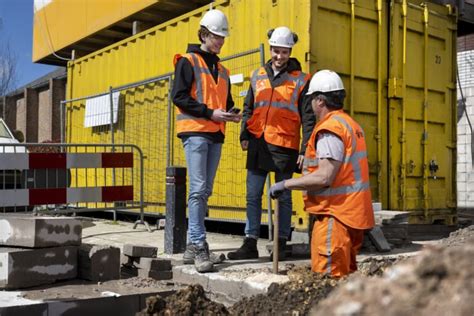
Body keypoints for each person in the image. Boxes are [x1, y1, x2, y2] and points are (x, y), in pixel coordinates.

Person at [269, 70, 375, 277]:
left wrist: (285, 185)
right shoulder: (350, 124)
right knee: (344, 280)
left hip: (335, 216)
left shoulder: (330, 130)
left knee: (327, 281)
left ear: (319, 101)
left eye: (310, 99)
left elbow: (325, 176)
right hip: (350, 214)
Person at [227, 26, 315, 261]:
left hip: (285, 147)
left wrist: (305, 148)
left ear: (290, 52)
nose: (279, 57)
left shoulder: (302, 80)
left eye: (283, 52)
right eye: (276, 51)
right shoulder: (258, 75)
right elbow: (248, 107)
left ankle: (282, 242)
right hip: (258, 143)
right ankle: (250, 242)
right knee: (253, 195)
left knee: (284, 197)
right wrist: (244, 135)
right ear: (271, 49)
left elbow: (308, 117)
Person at [172, 9, 241, 273]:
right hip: (195, 132)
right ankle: (200, 245)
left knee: (204, 191)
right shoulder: (187, 61)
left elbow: (226, 102)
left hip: (216, 134)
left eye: (222, 37)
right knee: (198, 190)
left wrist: (232, 115)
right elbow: (179, 97)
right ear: (203, 34)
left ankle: (192, 246)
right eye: (216, 36)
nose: (220, 41)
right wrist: (210, 113)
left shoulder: (222, 70)